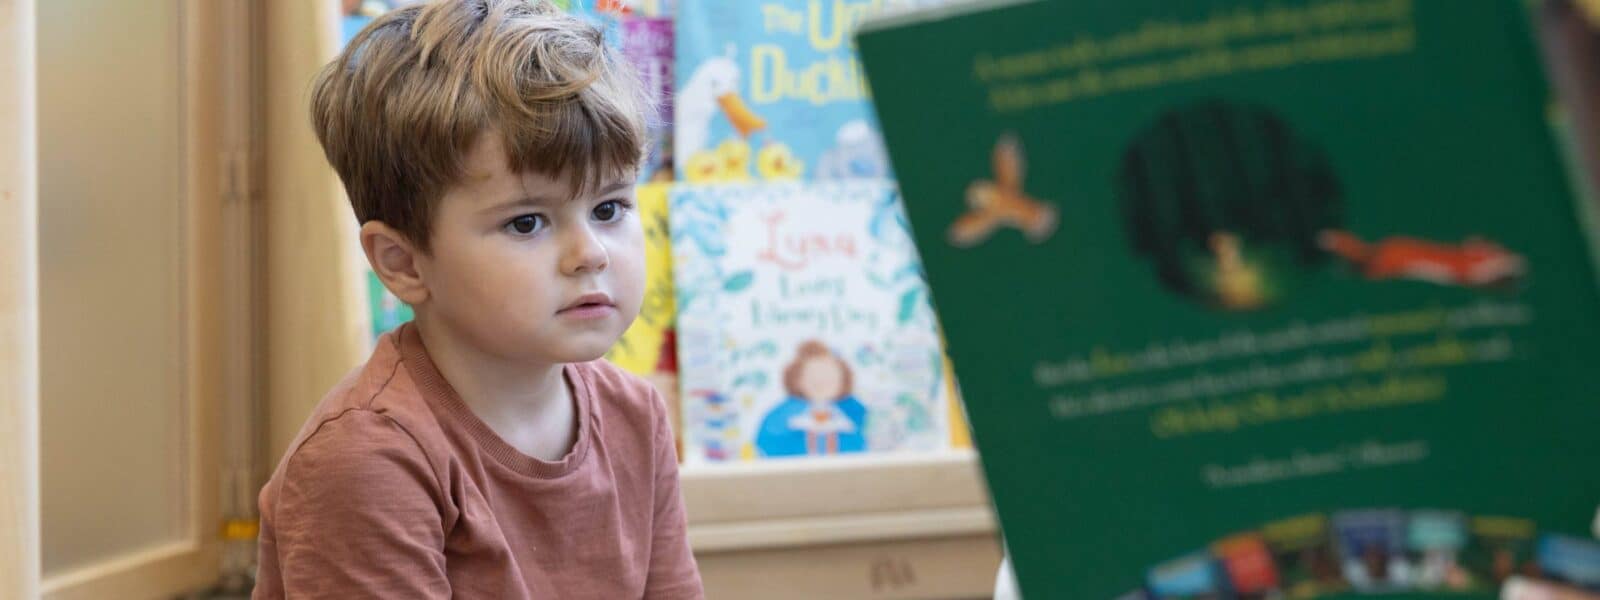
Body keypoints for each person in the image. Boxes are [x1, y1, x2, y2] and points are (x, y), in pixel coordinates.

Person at [252, 1, 702, 597]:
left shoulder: (636, 418)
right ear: (404, 263)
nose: (590, 253)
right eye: (526, 223)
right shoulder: (366, 460)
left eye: (609, 208)